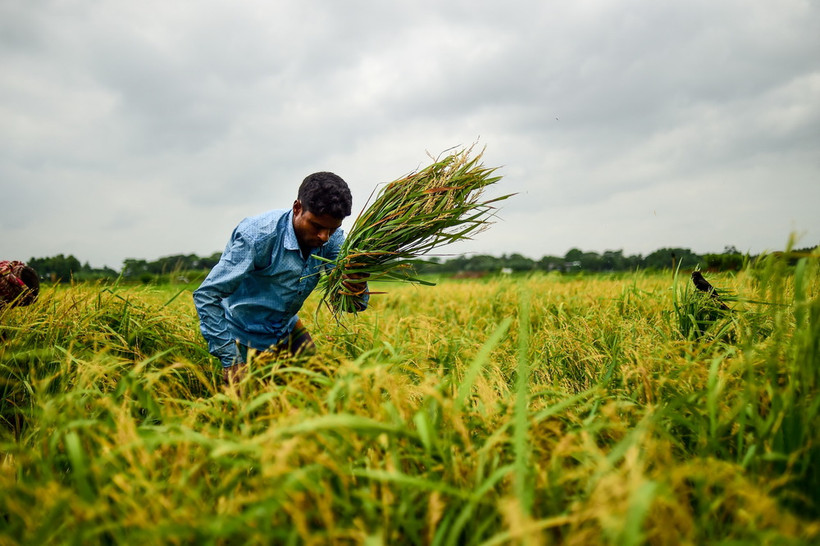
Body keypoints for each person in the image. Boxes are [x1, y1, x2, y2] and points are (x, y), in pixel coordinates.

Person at [193, 172, 368, 384]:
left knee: (320, 385)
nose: (324, 237)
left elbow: (349, 304)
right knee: (251, 399)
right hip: (243, 332)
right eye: (316, 226)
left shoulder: (333, 239)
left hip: (286, 327)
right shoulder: (257, 236)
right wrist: (230, 359)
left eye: (332, 228)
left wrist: (356, 283)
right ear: (297, 208)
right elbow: (206, 295)